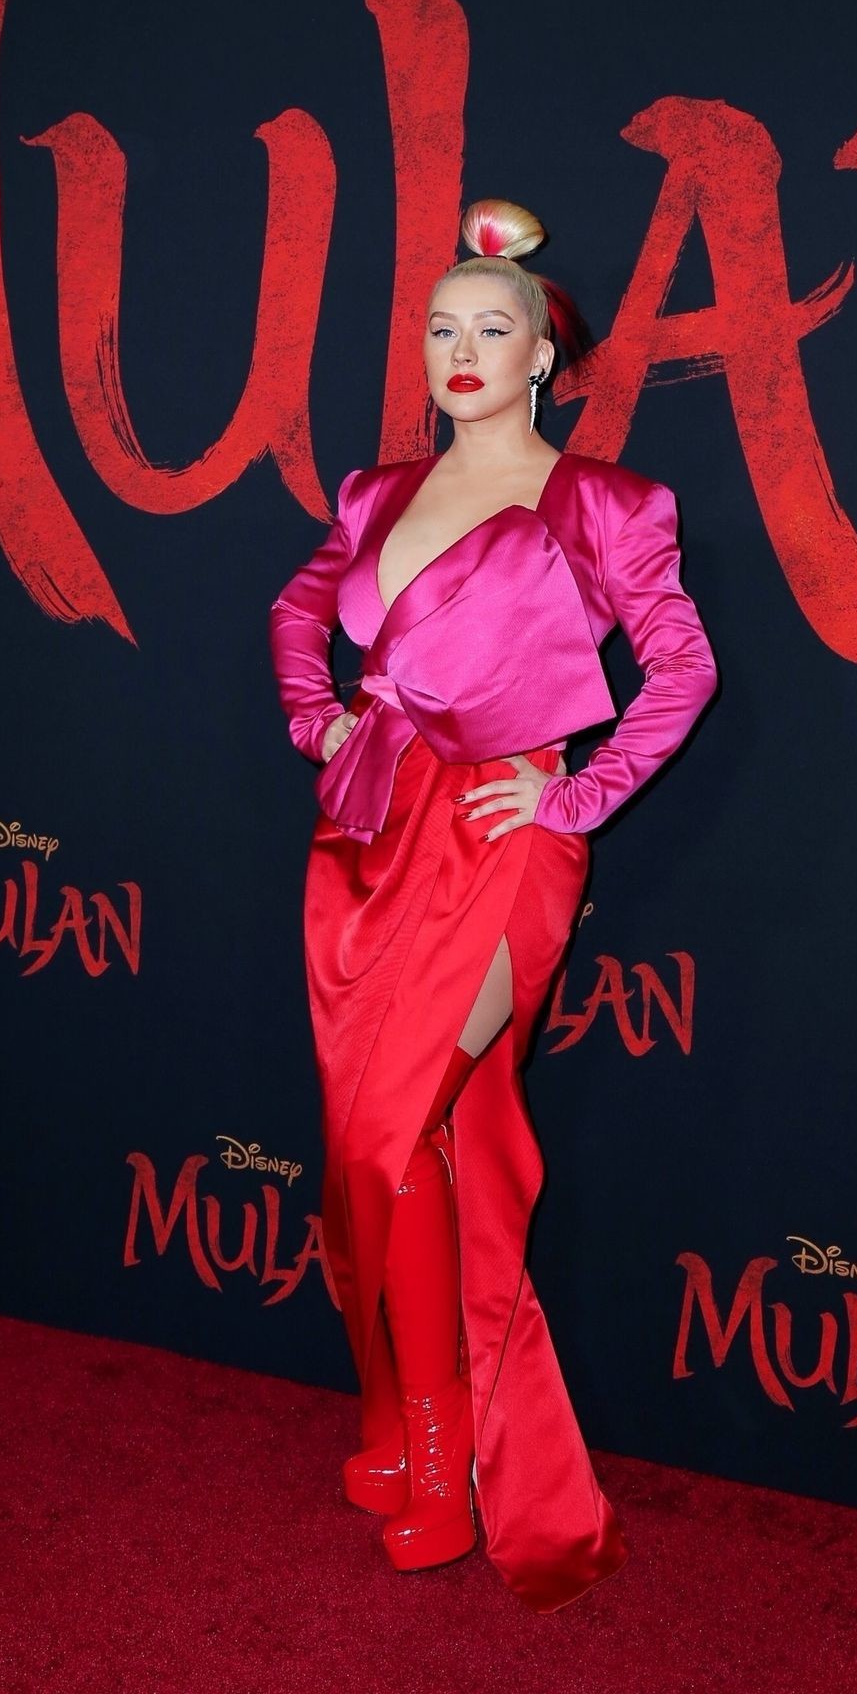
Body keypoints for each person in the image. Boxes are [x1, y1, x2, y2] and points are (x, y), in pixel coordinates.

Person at [268, 198, 718, 1612]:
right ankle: (396, 1424)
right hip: (364, 837)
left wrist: (577, 796)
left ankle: (446, 1462)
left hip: (499, 843)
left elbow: (684, 667)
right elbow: (298, 616)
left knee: (396, 1134)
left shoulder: (608, 504)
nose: (461, 351)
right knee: (371, 1154)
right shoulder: (374, 494)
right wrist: (320, 721)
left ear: (541, 357)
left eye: (491, 329)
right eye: (440, 329)